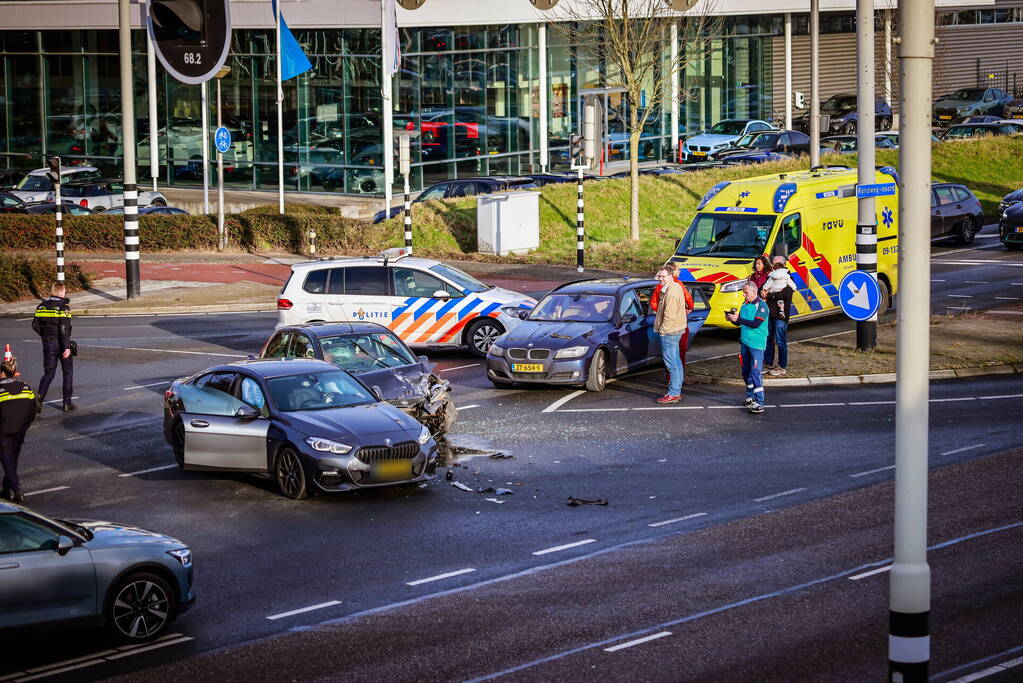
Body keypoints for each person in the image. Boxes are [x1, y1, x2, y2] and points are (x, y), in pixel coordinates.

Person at [725, 281, 770, 414]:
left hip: (757, 344)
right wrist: (732, 319)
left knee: (755, 372)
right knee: (745, 372)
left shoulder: (762, 306)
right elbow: (741, 323)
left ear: (754, 292)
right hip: (745, 343)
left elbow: (755, 323)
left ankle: (759, 402)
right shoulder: (744, 305)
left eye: (746, 292)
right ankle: (750, 396)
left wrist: (739, 319)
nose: (744, 295)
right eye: (743, 292)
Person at [32, 283, 74, 412]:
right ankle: (67, 403)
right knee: (67, 372)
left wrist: (46, 337)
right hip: (61, 343)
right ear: (60, 293)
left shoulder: (41, 306)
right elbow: (64, 328)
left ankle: (39, 400)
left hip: (49, 343)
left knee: (49, 373)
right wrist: (66, 347)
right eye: (64, 291)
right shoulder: (64, 307)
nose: (65, 293)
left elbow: (35, 325)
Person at [0, 358, 37, 504]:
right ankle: (5, 488)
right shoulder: (26, 388)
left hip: (3, 430)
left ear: (2, 373)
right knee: (12, 459)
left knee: (7, 460)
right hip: (20, 429)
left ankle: (16, 489)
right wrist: (24, 426)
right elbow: (33, 409)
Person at [649, 263, 694, 372]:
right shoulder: (678, 285)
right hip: (677, 325)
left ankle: (673, 383)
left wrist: (661, 315)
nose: (680, 272)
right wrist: (689, 308)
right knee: (678, 355)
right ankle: (677, 382)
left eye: (662, 276)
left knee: (671, 359)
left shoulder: (662, 287)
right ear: (674, 272)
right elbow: (688, 299)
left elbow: (653, 304)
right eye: (678, 270)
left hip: (668, 327)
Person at [653, 267, 687, 404]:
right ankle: (676, 390)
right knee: (676, 361)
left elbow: (669, 316)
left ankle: (673, 393)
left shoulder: (671, 293)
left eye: (663, 276)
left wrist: (663, 331)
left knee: (671, 363)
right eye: (659, 276)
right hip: (676, 329)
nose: (660, 278)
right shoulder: (676, 287)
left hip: (670, 331)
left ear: (671, 276)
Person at [762, 256, 795, 376]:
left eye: (776, 263)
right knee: (768, 339)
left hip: (781, 315)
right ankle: (768, 363)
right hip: (770, 313)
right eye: (773, 263)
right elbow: (763, 289)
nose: (773, 265)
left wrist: (769, 295)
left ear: (783, 265)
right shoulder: (770, 276)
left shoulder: (788, 277)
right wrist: (768, 293)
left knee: (780, 340)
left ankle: (782, 365)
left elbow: (785, 294)